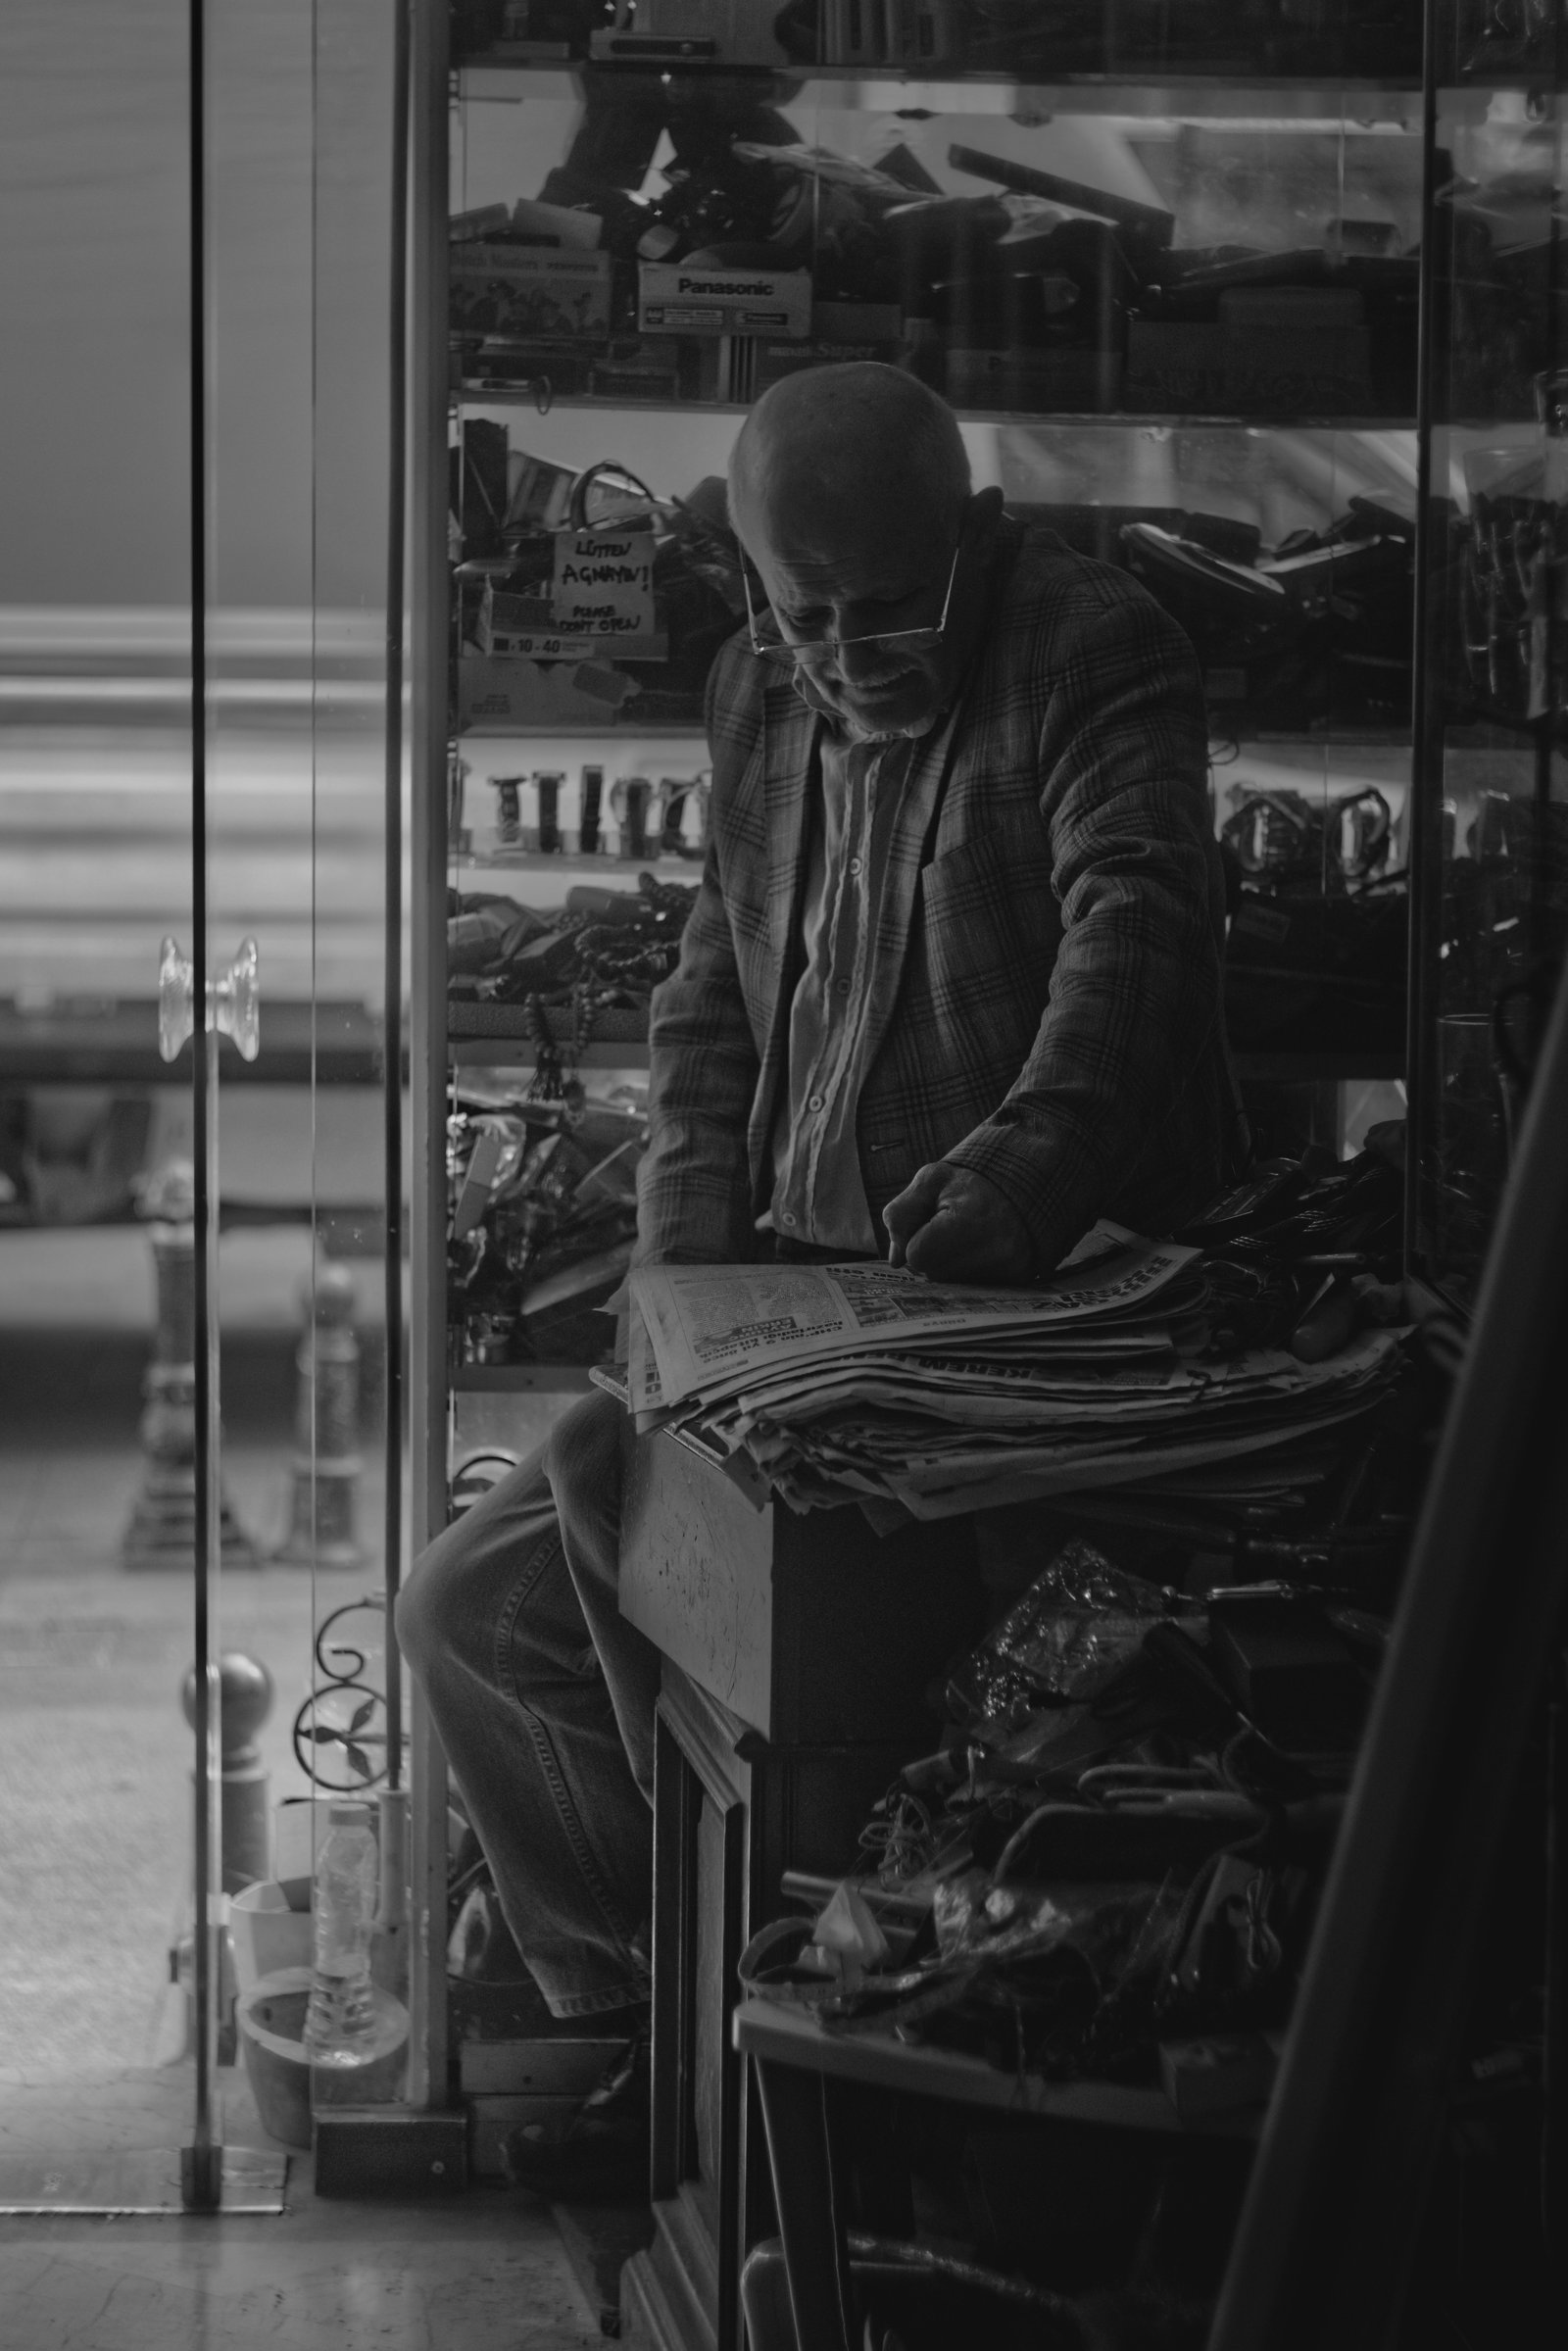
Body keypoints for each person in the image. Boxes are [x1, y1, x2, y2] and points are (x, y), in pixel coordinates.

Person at [396, 364, 1242, 2188]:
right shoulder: (754, 689)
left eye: (893, 603)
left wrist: (1015, 1179)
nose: (850, 653)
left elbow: (1139, 927)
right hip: (796, 1306)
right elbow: (710, 998)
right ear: (757, 588)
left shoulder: (1095, 650)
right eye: (810, 612)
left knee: (817, 1697)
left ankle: (790, 2076)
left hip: (1023, 1309)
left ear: (975, 532)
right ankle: (670, 2022)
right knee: (477, 1611)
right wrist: (672, 1287)